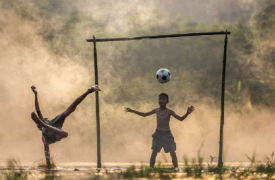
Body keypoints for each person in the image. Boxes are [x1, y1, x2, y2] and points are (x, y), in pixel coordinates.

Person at [30, 85, 101, 167]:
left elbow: (38, 110)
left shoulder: (54, 122)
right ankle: (43, 125)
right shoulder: (45, 131)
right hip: (53, 132)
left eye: (46, 119)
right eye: (45, 119)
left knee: (65, 126)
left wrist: (35, 94)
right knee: (64, 133)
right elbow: (38, 110)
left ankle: (43, 125)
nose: (47, 118)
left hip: (53, 129)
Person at [125, 93, 195, 169]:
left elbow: (180, 119)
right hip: (158, 134)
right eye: (160, 99)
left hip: (167, 135)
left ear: (167, 101)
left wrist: (187, 113)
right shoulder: (156, 110)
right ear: (158, 100)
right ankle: (151, 168)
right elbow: (144, 114)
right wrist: (132, 111)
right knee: (154, 152)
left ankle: (176, 168)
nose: (161, 100)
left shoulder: (170, 111)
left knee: (172, 152)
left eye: (163, 99)